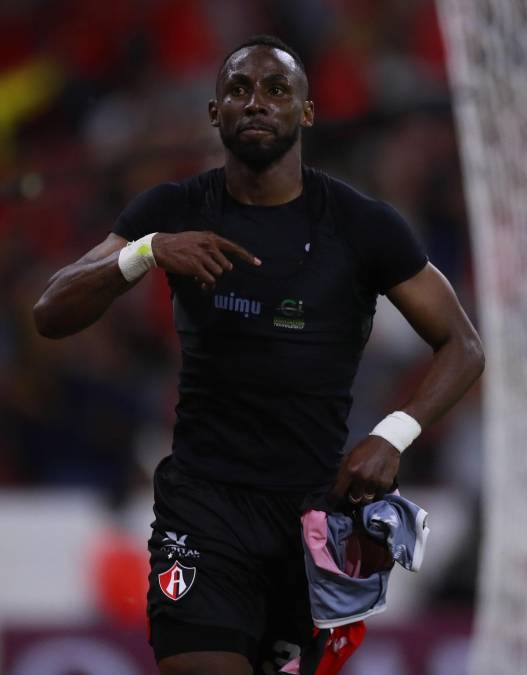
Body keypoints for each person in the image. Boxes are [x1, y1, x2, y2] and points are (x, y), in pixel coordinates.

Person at [34, 35, 484, 675]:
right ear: (214, 112)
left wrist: (393, 435)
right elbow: (51, 312)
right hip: (202, 510)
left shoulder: (360, 224)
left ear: (306, 112)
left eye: (276, 90)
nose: (256, 102)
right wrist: (146, 250)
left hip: (311, 517)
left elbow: (463, 346)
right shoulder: (174, 209)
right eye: (239, 89)